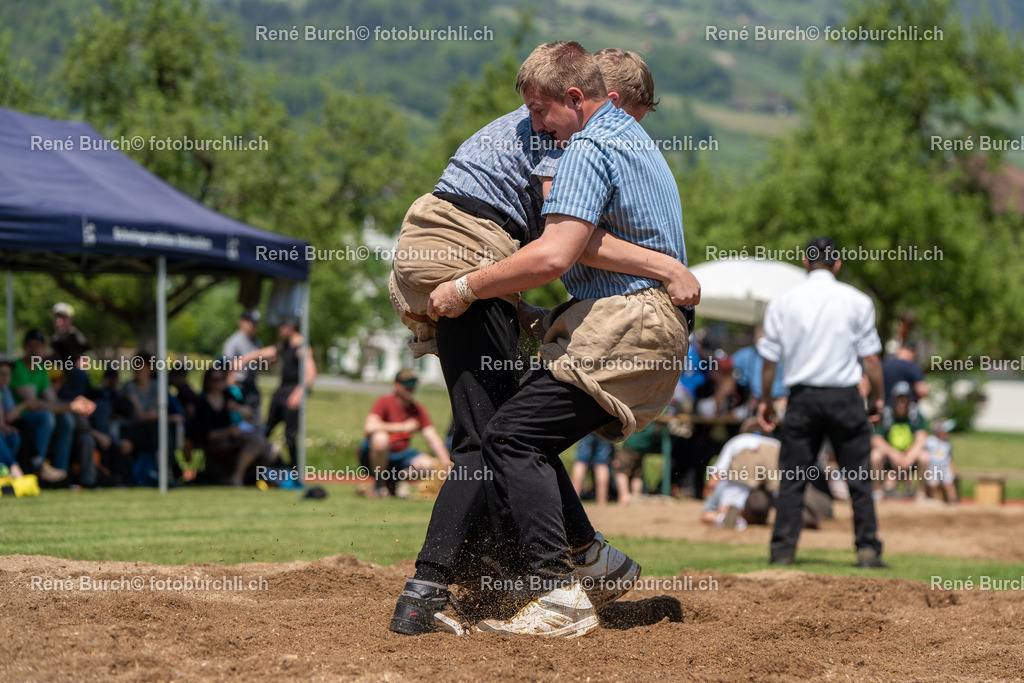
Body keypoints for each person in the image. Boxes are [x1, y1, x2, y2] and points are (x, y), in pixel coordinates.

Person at [388, 47, 693, 637]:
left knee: (501, 435)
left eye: (540, 111)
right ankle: (563, 566)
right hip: (465, 245)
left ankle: (454, 590)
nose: (534, 124)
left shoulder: (590, 143)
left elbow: (561, 248)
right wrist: (665, 266)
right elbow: (570, 243)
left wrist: (476, 288)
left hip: (462, 251)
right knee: (504, 433)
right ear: (611, 98)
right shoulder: (592, 140)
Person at [757, 236, 888, 569]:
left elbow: (769, 361)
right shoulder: (857, 301)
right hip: (845, 397)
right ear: (838, 264)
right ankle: (867, 550)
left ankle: (783, 551)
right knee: (858, 478)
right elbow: (871, 360)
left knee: (793, 479)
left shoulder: (783, 302)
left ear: (805, 262)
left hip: (802, 398)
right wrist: (878, 398)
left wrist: (768, 401)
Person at [8, 329, 95, 483]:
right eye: (31, 345)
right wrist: (72, 406)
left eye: (39, 346)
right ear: (24, 347)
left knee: (66, 419)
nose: (35, 350)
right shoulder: (17, 368)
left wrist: (73, 405)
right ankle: (38, 466)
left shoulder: (41, 368)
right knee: (47, 417)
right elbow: (33, 403)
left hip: (34, 415)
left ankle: (61, 472)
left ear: (44, 349)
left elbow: (52, 400)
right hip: (17, 417)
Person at [236, 317, 317, 468]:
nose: (279, 331)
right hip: (280, 392)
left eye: (282, 327)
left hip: (293, 392)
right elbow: (263, 352)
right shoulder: (285, 346)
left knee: (290, 436)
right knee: (266, 429)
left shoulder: (302, 347)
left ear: (290, 328)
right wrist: (242, 360)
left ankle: (295, 468)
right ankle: (258, 463)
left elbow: (311, 373)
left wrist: (299, 393)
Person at [359, 368, 451, 498]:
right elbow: (370, 426)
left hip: (401, 456)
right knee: (381, 438)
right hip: (376, 455)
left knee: (428, 465)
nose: (410, 387)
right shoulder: (385, 402)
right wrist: (401, 427)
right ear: (396, 385)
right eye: (406, 383)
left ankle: (395, 480)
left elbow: (432, 438)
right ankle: (379, 484)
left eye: (413, 383)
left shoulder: (417, 409)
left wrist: (448, 465)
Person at [192, 369, 275, 486]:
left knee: (268, 447)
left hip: (234, 437)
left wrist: (237, 408)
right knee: (257, 442)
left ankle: (245, 476)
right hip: (217, 441)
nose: (219, 382)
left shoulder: (227, 395)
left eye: (222, 378)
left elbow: (249, 412)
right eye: (215, 380)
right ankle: (237, 476)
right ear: (208, 382)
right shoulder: (202, 402)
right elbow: (208, 435)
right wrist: (228, 431)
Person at [700, 418, 780, 529]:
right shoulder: (776, 443)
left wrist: (709, 492)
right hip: (770, 485)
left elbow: (718, 473)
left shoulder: (738, 440)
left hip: (742, 476)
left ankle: (726, 518)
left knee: (712, 512)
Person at [869, 380, 929, 498]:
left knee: (924, 456)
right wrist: (894, 454)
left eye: (904, 399)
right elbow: (876, 439)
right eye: (899, 399)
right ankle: (877, 493)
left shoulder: (915, 415)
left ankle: (921, 494)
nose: (902, 402)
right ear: (893, 400)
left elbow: (921, 439)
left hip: (909, 458)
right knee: (875, 455)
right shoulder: (886, 415)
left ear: (909, 400)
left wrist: (908, 457)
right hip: (890, 458)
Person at [223, 310, 263, 417]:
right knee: (241, 419)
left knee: (255, 418)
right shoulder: (233, 342)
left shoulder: (257, 342)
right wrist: (232, 391)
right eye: (252, 323)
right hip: (238, 385)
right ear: (242, 322)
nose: (255, 326)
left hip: (251, 386)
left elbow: (260, 366)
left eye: (256, 324)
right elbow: (228, 367)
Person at [0, 360, 26, 479]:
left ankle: (4, 470)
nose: (5, 377)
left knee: (12, 435)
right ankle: (13, 467)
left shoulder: (4, 391)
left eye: (8, 374)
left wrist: (3, 425)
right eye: (2, 374)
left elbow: (8, 415)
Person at [571, 432, 613, 505]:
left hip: (587, 426)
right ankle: (602, 499)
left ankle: (574, 498)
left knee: (581, 461)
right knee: (602, 463)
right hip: (605, 425)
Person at [922, 418, 958, 503]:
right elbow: (923, 451)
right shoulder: (930, 440)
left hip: (945, 468)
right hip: (932, 468)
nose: (948, 434)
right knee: (933, 485)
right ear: (938, 431)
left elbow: (950, 457)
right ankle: (935, 502)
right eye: (946, 431)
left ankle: (953, 502)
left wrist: (952, 468)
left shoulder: (947, 443)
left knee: (949, 485)